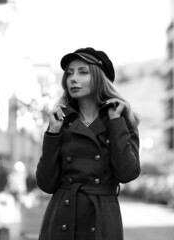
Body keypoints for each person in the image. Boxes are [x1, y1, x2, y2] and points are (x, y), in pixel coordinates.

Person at [36, 47, 141, 240]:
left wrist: (116, 123)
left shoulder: (122, 120)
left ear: (99, 77)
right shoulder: (60, 121)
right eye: (69, 73)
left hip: (101, 217)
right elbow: (46, 183)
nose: (73, 79)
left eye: (82, 72)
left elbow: (127, 173)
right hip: (62, 218)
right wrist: (52, 133)